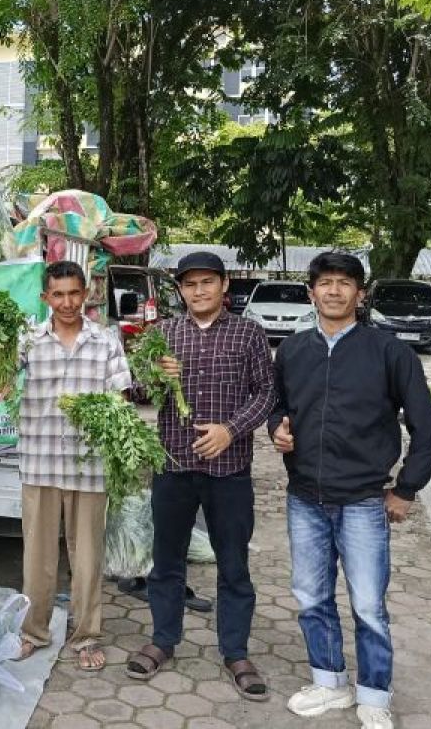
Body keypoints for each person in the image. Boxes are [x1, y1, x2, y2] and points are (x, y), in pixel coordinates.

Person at [270, 251, 431, 729]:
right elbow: (279, 405)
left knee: (367, 604)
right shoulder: (293, 351)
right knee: (311, 596)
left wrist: (406, 489)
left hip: (365, 500)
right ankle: (329, 684)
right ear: (311, 292)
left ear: (359, 294)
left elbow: (427, 426)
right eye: (324, 282)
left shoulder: (389, 353)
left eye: (345, 283)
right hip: (304, 496)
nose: (334, 291)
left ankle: (373, 696)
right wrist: (275, 429)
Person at [126, 252, 276, 701]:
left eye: (207, 282)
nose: (198, 291)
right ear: (181, 290)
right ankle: (163, 640)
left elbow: (267, 393)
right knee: (166, 559)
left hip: (229, 470)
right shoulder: (164, 333)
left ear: (224, 285)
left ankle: (236, 652)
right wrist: (153, 374)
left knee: (233, 563)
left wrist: (230, 430)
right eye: (189, 284)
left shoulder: (247, 332)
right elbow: (136, 390)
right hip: (173, 464)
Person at [15, 260, 132, 672]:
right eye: (58, 294)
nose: (67, 302)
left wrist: (116, 410)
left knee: (87, 558)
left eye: (74, 293)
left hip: (90, 466)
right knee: (38, 557)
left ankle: (85, 637)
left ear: (87, 294)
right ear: (46, 298)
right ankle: (33, 632)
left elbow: (123, 393)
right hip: (40, 463)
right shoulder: (27, 340)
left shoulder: (106, 340)